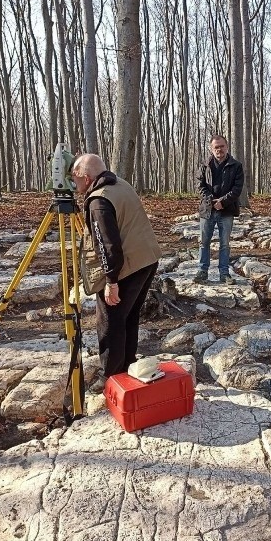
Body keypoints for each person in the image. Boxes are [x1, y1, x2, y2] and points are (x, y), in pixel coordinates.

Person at [71, 154, 162, 377]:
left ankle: (110, 377)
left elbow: (107, 245)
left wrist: (111, 281)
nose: (73, 183)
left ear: (86, 177)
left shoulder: (98, 201)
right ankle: (127, 365)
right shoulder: (120, 184)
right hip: (147, 259)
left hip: (127, 266)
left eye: (75, 177)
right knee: (128, 316)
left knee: (109, 322)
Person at [195, 135, 245, 284]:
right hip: (207, 210)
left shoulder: (236, 166)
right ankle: (202, 271)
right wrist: (211, 200)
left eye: (222, 146)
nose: (219, 150)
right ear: (211, 149)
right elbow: (199, 185)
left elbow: (237, 189)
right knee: (204, 242)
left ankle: (224, 273)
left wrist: (223, 202)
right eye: (216, 147)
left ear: (227, 147)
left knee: (224, 243)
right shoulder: (205, 165)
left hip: (227, 210)